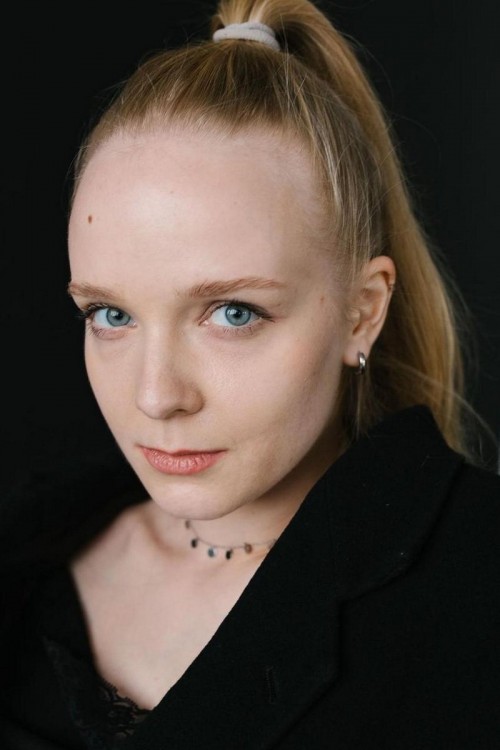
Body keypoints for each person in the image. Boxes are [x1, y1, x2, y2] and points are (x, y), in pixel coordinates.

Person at [1, 0, 499, 747]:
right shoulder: (29, 553)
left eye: (233, 313)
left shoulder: (478, 593)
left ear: (363, 313)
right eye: (110, 314)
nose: (156, 396)